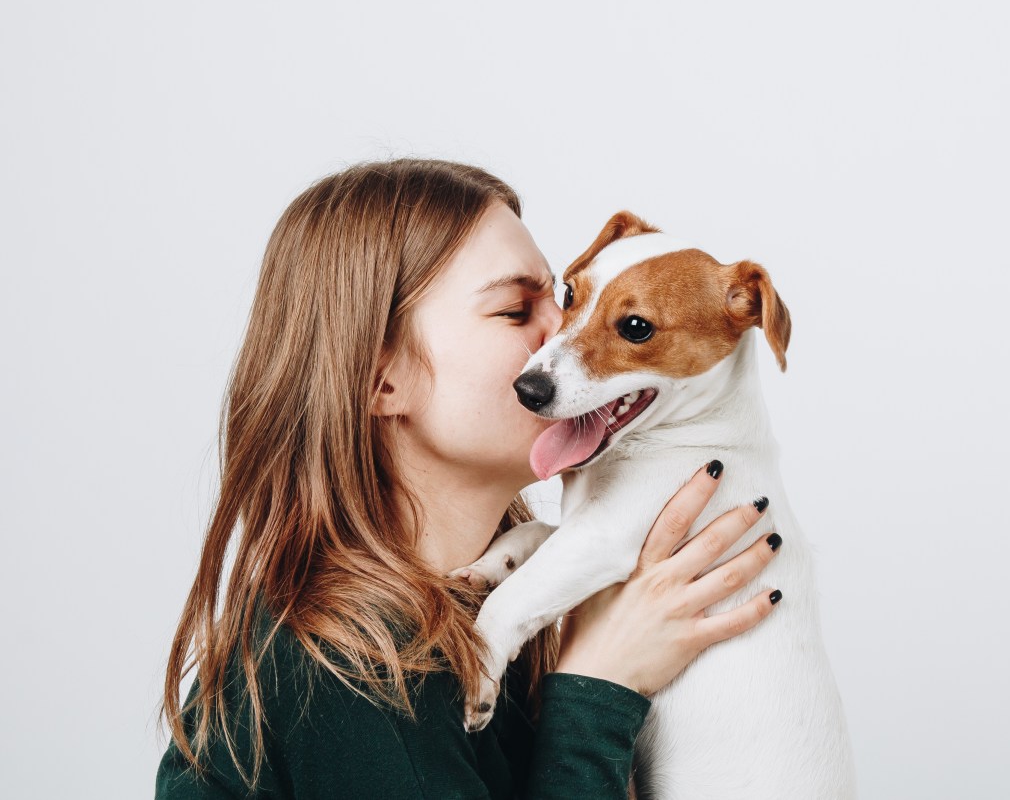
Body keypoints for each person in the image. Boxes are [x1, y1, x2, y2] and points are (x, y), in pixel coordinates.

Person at [155, 158, 783, 799]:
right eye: (516, 310)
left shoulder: (474, 623)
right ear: (382, 379)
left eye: (559, 296)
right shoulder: (347, 666)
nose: (561, 336)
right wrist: (599, 690)